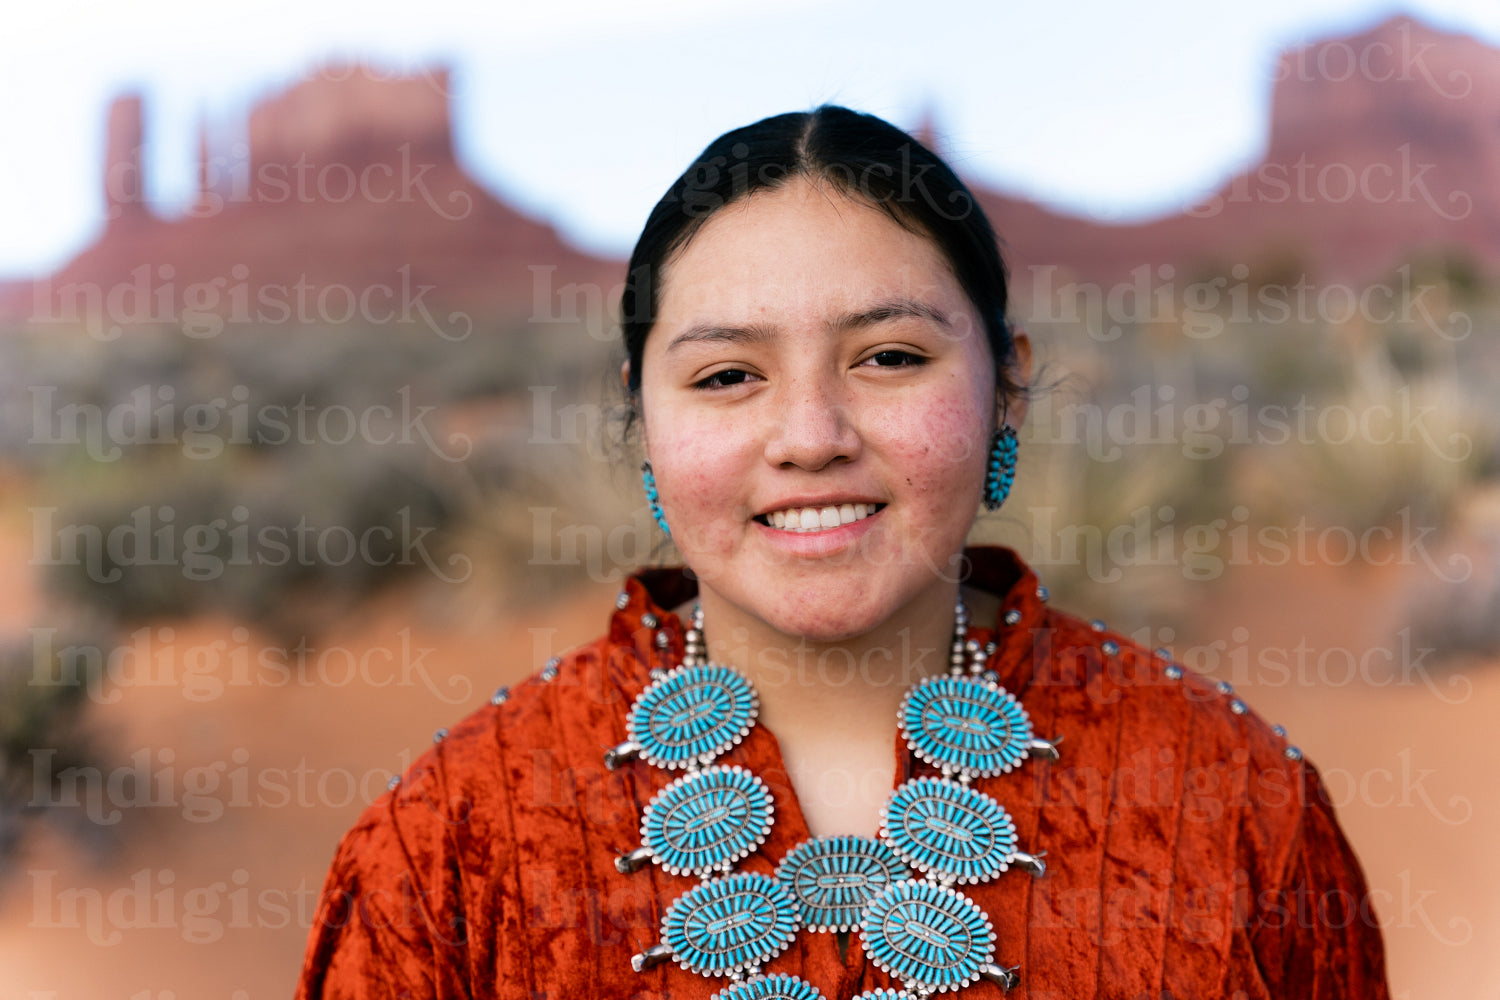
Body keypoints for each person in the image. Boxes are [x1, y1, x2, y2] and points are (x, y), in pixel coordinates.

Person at [295, 106, 1390, 999]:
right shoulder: (449, 843)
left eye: (890, 356)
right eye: (728, 375)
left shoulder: (1234, 801)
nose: (811, 436)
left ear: (1005, 386)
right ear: (643, 418)